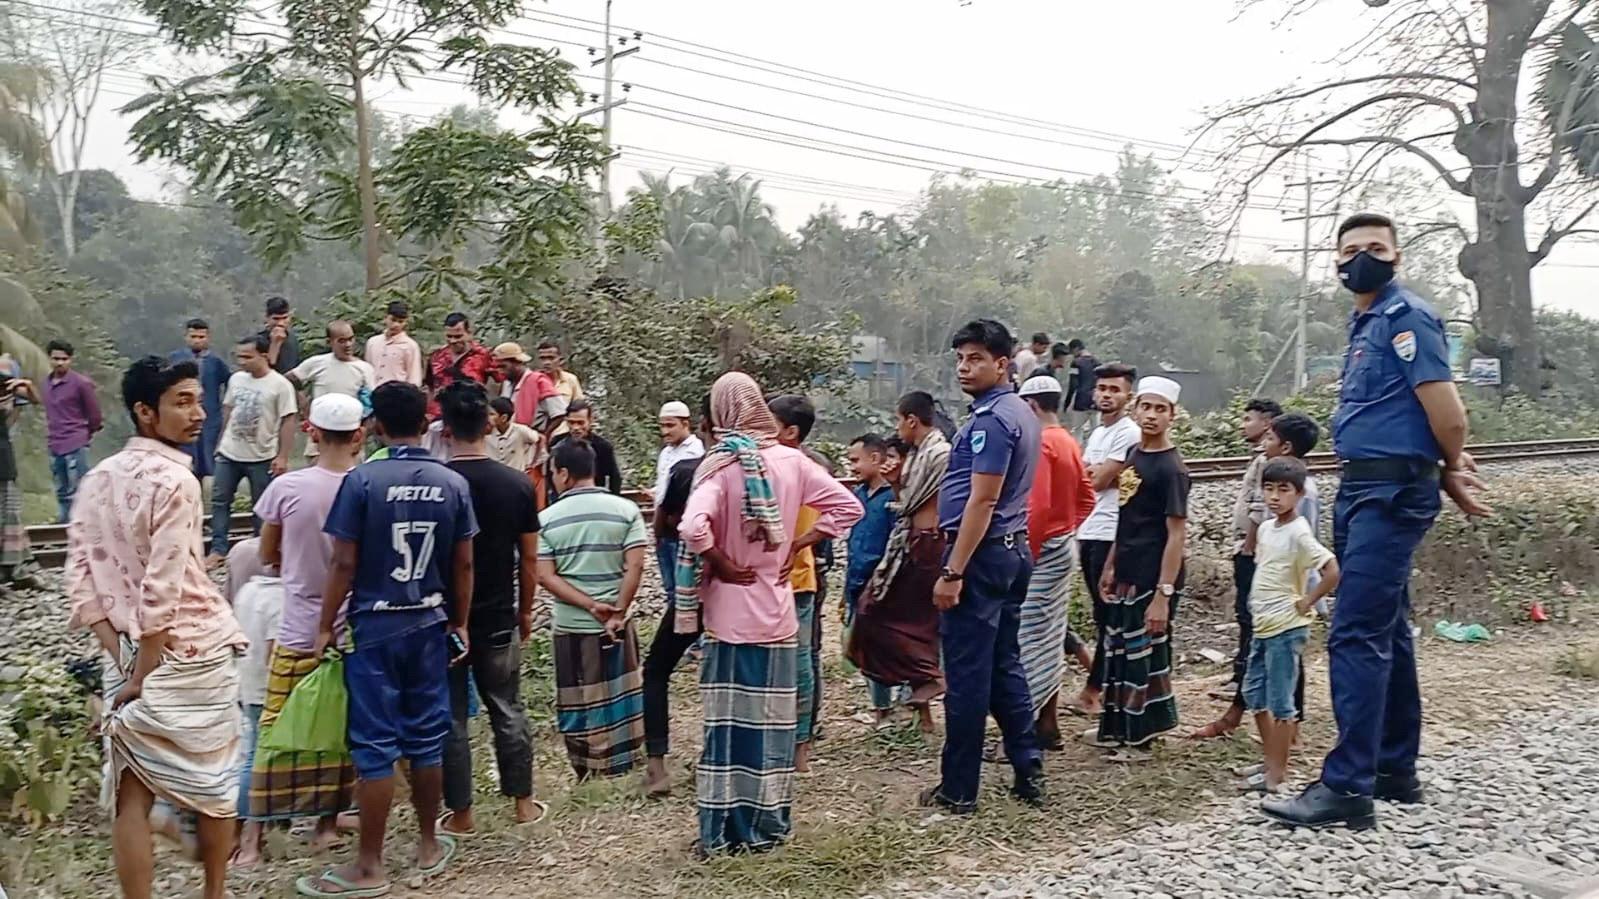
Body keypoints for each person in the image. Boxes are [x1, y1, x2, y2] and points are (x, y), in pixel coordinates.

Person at [1265, 213, 1488, 830]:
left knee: (1355, 632)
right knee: (1385, 628)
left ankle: (1347, 787)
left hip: (1391, 491)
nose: (1361, 257)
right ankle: (1393, 768)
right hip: (1368, 484)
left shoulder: (1405, 316)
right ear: (1337, 262)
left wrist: (1446, 467)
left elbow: (1449, 415)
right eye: (1351, 249)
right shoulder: (1364, 321)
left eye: (1375, 248)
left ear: (1397, 258)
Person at [66, 355, 249, 899]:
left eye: (199, 400)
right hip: (193, 652)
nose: (199, 413)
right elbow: (164, 584)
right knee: (215, 785)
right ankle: (215, 891)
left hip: (125, 654)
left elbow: (81, 580)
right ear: (146, 412)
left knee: (131, 794)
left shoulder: (97, 478)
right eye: (183, 402)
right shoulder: (177, 480)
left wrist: (122, 657)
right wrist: (143, 669)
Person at [672, 371, 862, 857]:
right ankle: (767, 825)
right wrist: (796, 545)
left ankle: (722, 831)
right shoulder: (792, 462)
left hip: (728, 618)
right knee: (772, 728)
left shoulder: (719, 466)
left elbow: (693, 528)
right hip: (777, 612)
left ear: (719, 413)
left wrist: (720, 561)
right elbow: (847, 508)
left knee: (728, 729)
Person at [299, 382, 477, 896]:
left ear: (375, 426)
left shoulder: (361, 483)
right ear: (427, 423)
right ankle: (426, 845)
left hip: (374, 626)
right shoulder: (451, 484)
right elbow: (463, 562)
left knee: (374, 745)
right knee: (426, 736)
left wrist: (323, 625)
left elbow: (344, 561)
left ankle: (370, 866)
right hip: (429, 622)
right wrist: (459, 621)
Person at [921, 320, 1044, 815]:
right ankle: (1028, 763)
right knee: (1003, 664)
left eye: (975, 359)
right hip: (1012, 550)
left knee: (969, 676)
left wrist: (953, 572)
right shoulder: (1020, 411)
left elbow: (983, 500)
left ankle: (958, 789)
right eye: (960, 359)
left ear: (1002, 364)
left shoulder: (993, 420)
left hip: (982, 554)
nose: (964, 368)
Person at [245, 395, 363, 853]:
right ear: (359, 435)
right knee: (338, 730)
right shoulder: (365, 486)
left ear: (312, 433)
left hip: (296, 627)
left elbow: (266, 553)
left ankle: (253, 841)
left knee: (273, 727)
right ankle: (325, 826)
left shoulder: (286, 488)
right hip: (349, 630)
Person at [438, 383, 543, 833]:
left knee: (452, 716)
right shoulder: (517, 484)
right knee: (507, 707)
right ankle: (522, 803)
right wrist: (525, 612)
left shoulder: (438, 484)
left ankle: (461, 813)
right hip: (499, 614)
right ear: (489, 424)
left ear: (445, 430)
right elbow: (531, 558)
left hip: (443, 620)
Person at [539, 438, 650, 780]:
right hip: (619, 621)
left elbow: (544, 576)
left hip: (572, 624)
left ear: (564, 474)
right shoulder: (626, 511)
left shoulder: (546, 519)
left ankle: (586, 769)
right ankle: (623, 763)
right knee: (621, 690)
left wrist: (589, 605)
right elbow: (635, 567)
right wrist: (617, 610)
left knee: (578, 696)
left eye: (554, 473)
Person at [1094, 376, 1190, 760]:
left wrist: (1163, 596)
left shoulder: (1172, 469)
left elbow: (1177, 535)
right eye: (1146, 407)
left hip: (1153, 576)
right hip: (1127, 570)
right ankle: (1118, 727)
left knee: (1143, 656)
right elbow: (1126, 514)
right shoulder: (1133, 453)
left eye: (1160, 409)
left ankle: (1142, 737)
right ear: (1135, 410)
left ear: (1172, 416)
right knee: (1118, 650)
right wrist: (1111, 564)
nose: (1151, 415)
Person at [847, 391, 949, 734]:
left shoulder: (938, 452)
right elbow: (909, 498)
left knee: (884, 614)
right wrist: (895, 483)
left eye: (897, 420)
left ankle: (930, 679)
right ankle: (921, 681)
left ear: (911, 420)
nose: (897, 429)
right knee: (883, 617)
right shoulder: (921, 454)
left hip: (927, 547)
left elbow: (920, 501)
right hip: (912, 542)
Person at [1240, 457, 1340, 794]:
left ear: (1298, 495)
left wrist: (1308, 601)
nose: (1275, 497)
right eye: (1269, 488)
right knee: (1254, 694)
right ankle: (1270, 760)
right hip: (1263, 623)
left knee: (1282, 702)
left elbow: (1331, 569)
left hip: (1286, 626)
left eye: (1284, 490)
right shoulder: (1268, 528)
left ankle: (1277, 773)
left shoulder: (1299, 531)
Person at [1192, 396, 1284, 739]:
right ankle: (1242, 684)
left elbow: (1261, 508)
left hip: (1255, 555)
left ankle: (1258, 700)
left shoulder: (1272, 465)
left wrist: (1247, 549)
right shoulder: (1261, 459)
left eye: (1249, 419)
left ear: (1268, 424)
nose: (1243, 425)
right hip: (1252, 552)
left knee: (1254, 622)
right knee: (1249, 622)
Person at [1015, 375, 1096, 751]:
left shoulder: (1042, 444)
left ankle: (1024, 732)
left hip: (1042, 550)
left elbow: (1037, 506)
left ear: (1031, 406)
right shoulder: (1067, 440)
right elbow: (1087, 498)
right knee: (1049, 639)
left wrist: (1027, 556)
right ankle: (1047, 726)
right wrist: (1068, 531)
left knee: (1027, 640)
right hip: (1063, 547)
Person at [641, 397, 713, 797]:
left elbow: (667, 522)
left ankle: (656, 767)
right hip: (745, 597)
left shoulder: (688, 469)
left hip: (695, 592)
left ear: (700, 425)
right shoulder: (757, 469)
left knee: (655, 669)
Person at [1067, 362, 1140, 718]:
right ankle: (1101, 688)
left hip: (1110, 532)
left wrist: (1098, 475)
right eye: (1103, 389)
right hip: (1089, 529)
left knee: (1109, 614)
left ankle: (1096, 691)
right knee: (1101, 613)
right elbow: (1087, 478)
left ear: (1129, 395)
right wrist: (1096, 475)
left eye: (1115, 389)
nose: (1107, 395)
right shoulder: (1097, 434)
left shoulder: (1129, 433)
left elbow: (1094, 481)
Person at [767, 393, 828, 773]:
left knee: (798, 664)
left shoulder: (804, 468)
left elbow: (839, 513)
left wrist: (800, 542)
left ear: (790, 432)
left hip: (796, 580)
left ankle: (800, 747)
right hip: (771, 579)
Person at [207, 335, 297, 566]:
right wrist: (219, 441)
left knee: (262, 507)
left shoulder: (280, 385)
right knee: (220, 500)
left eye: (248, 356)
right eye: (239, 357)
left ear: (264, 356)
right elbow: (228, 410)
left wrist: (283, 455)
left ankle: (261, 549)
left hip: (261, 455)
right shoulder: (236, 380)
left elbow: (288, 420)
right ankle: (218, 549)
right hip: (230, 451)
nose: (242, 361)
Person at [227, 542, 282, 868]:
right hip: (267, 691)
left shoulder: (248, 591)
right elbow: (276, 656)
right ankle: (249, 840)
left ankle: (233, 833)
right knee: (258, 764)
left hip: (245, 684)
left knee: (247, 757)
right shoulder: (278, 600)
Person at [843, 433, 898, 723]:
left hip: (881, 586)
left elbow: (895, 547)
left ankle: (900, 708)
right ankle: (881, 709)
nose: (851, 467)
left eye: (855, 460)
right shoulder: (860, 495)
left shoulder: (893, 499)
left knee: (888, 647)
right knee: (864, 647)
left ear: (876, 459)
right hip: (856, 582)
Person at [287, 320, 376, 457]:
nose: (347, 345)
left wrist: (362, 436)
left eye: (350, 339)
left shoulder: (364, 369)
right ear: (330, 342)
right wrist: (303, 402)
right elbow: (290, 378)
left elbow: (371, 405)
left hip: (350, 434)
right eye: (341, 341)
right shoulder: (317, 363)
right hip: (320, 433)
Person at [651, 400, 705, 609]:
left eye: (670, 425)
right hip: (663, 527)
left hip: (681, 528)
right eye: (662, 426)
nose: (665, 432)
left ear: (685, 424)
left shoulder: (696, 452)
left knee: (684, 590)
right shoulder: (666, 453)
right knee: (670, 588)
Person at [42, 339, 103, 522]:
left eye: (64, 359)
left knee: (79, 488)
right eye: (55, 358)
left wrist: (84, 435)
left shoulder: (81, 384)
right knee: (61, 489)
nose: (59, 362)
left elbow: (95, 416)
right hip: (55, 442)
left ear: (70, 360)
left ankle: (84, 523)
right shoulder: (46, 383)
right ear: (49, 359)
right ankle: (64, 525)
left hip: (75, 441)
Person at [170, 318, 230, 481]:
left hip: (209, 418)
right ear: (186, 337)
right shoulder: (175, 359)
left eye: (201, 337)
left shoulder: (216, 362)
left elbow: (231, 384)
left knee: (206, 460)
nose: (197, 341)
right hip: (181, 417)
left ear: (208, 338)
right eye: (193, 337)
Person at [0, 354, 37, 592]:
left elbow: (34, 401)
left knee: (10, 511)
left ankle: (15, 567)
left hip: (4, 455)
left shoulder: (10, 394)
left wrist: (27, 387)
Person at [425, 312, 496, 419]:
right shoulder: (436, 356)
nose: (453, 341)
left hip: (471, 418)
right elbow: (430, 386)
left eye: (458, 336)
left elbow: (499, 383)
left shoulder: (483, 355)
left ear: (469, 333)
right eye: (449, 336)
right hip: (439, 417)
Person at [548, 399, 623, 497]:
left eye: (580, 423)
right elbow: (550, 476)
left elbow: (615, 478)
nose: (575, 428)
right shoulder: (557, 443)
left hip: (595, 497)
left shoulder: (603, 447)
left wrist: (613, 500)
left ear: (590, 420)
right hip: (563, 498)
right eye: (571, 422)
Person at [494, 341, 566, 439]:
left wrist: (545, 436)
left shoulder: (539, 382)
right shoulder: (507, 384)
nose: (500, 371)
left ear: (517, 363)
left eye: (503, 366)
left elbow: (560, 413)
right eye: (498, 367)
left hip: (532, 437)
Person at [364, 300, 424, 387]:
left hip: (397, 395)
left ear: (405, 322)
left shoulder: (410, 346)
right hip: (374, 392)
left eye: (400, 322)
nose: (396, 325)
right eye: (393, 320)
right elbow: (368, 369)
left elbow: (414, 377)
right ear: (386, 318)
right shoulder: (372, 342)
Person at [486, 395, 546, 477]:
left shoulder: (520, 431)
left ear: (503, 418)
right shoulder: (486, 432)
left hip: (516, 477)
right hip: (494, 477)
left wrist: (533, 462)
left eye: (492, 414)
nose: (488, 418)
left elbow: (540, 438)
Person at [537, 340, 585, 438]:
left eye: (551, 358)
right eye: (543, 359)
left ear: (560, 360)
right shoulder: (532, 381)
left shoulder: (570, 380)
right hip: (539, 434)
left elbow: (580, 407)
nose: (546, 363)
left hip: (566, 433)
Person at [1064, 338, 1100, 437]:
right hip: (1095, 400)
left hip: (1081, 400)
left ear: (1076, 349)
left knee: (1077, 430)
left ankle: (1077, 451)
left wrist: (1067, 403)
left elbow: (1073, 385)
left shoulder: (1076, 363)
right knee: (1095, 431)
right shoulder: (1097, 362)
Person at [259, 295, 301, 374]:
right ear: (267, 318)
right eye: (276, 319)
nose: (280, 323)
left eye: (285, 318)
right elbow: (262, 372)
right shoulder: (258, 341)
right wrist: (275, 344)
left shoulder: (293, 338)